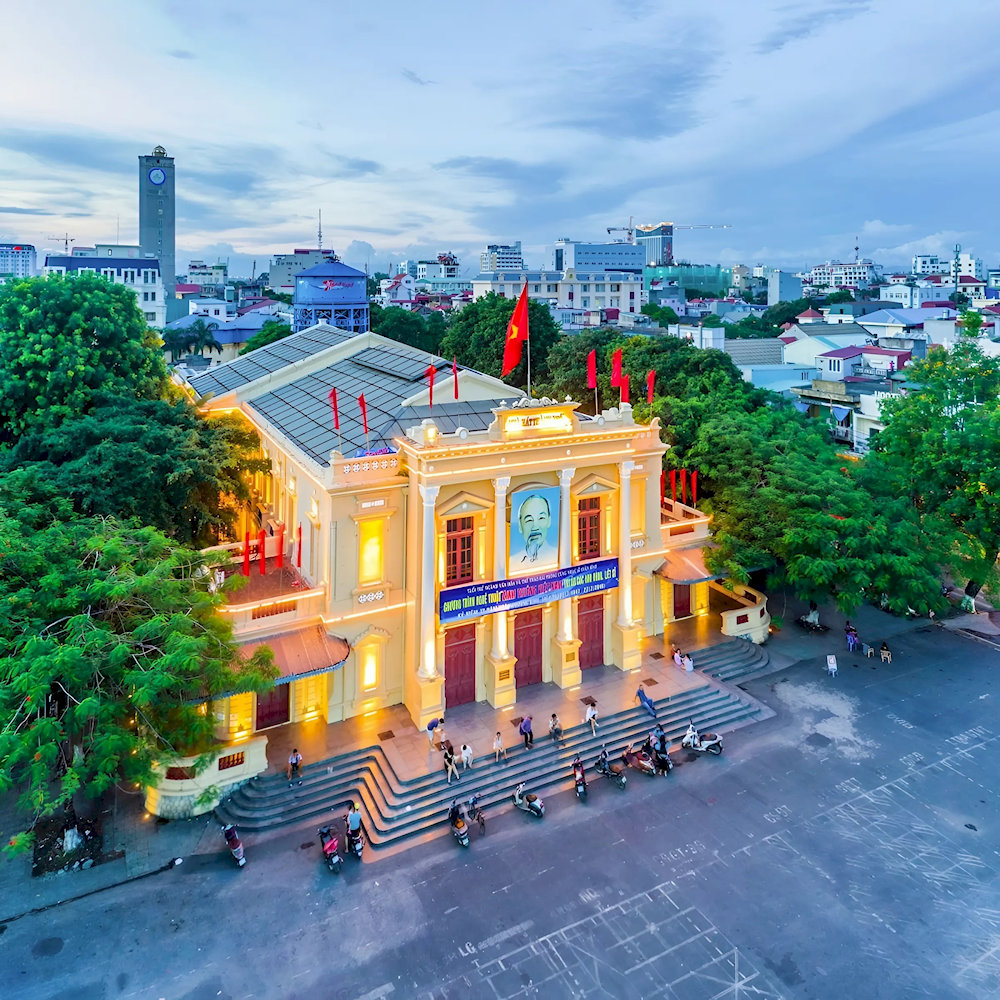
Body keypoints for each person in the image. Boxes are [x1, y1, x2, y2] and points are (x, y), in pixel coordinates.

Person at [514, 493, 558, 567]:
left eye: (541, 518)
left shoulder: (557, 555)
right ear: (520, 526)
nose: (535, 527)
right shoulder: (513, 561)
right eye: (529, 520)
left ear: (549, 521)